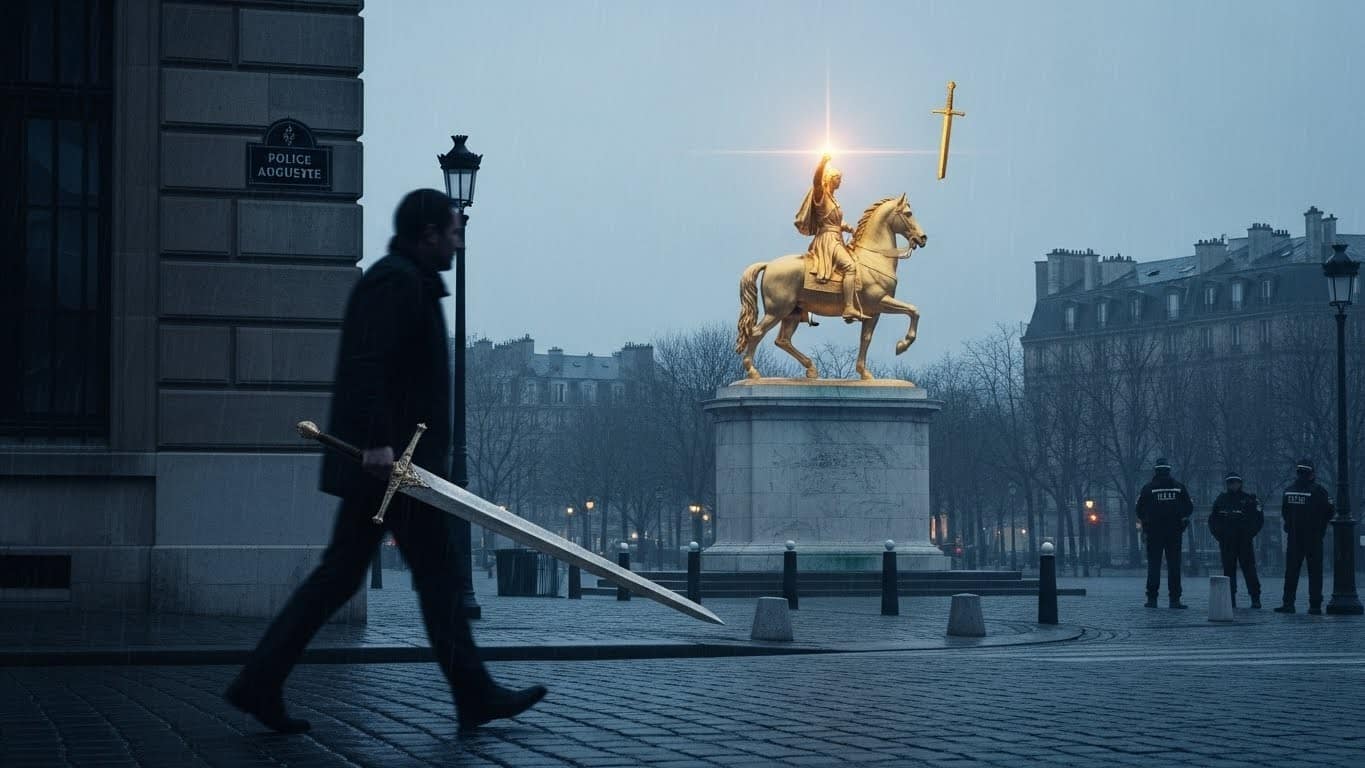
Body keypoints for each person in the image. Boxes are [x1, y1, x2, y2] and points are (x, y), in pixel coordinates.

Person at [224, 189, 546, 734]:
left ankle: (262, 682)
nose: (458, 242)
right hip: (392, 467)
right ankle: (472, 693)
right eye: (453, 231)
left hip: (402, 467)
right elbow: (367, 362)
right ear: (428, 235)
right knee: (406, 577)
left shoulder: (405, 279)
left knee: (376, 576)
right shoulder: (395, 280)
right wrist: (377, 442)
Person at [794, 152, 867, 322]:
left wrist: (847, 227)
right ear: (828, 179)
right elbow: (816, 181)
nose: (840, 181)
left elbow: (833, 221)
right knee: (850, 267)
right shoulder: (821, 195)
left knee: (855, 263)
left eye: (840, 178)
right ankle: (849, 308)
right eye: (837, 178)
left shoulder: (833, 200)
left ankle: (844, 299)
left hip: (837, 237)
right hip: (827, 240)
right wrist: (822, 162)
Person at [1275, 459, 1334, 615]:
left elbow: (1285, 512)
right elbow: (1329, 512)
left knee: (1291, 572)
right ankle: (1315, 605)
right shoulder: (1319, 491)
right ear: (1311, 474)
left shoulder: (1289, 491)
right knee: (1315, 572)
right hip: (1314, 538)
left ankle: (1288, 603)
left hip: (1294, 537)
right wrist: (1320, 530)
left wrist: (1290, 527)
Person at [1135, 458, 1194, 608]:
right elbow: (1189, 507)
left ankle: (1152, 599)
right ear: (1168, 470)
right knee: (1174, 566)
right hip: (1174, 532)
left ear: (1156, 471)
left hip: (1154, 532)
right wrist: (1180, 519)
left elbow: (1139, 509)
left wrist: (1147, 523)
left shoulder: (1148, 488)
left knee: (1154, 566)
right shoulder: (1179, 487)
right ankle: (1175, 599)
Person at [1208, 471, 1264, 608]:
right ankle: (1230, 599)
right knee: (1228, 572)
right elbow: (1213, 520)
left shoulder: (1250, 499)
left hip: (1244, 541)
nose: (1233, 485)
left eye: (1235, 482)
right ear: (1227, 484)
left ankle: (1255, 598)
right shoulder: (1221, 500)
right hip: (1227, 542)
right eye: (1230, 482)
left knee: (1249, 570)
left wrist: (1249, 534)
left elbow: (1258, 519)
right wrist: (1219, 536)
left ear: (1240, 483)